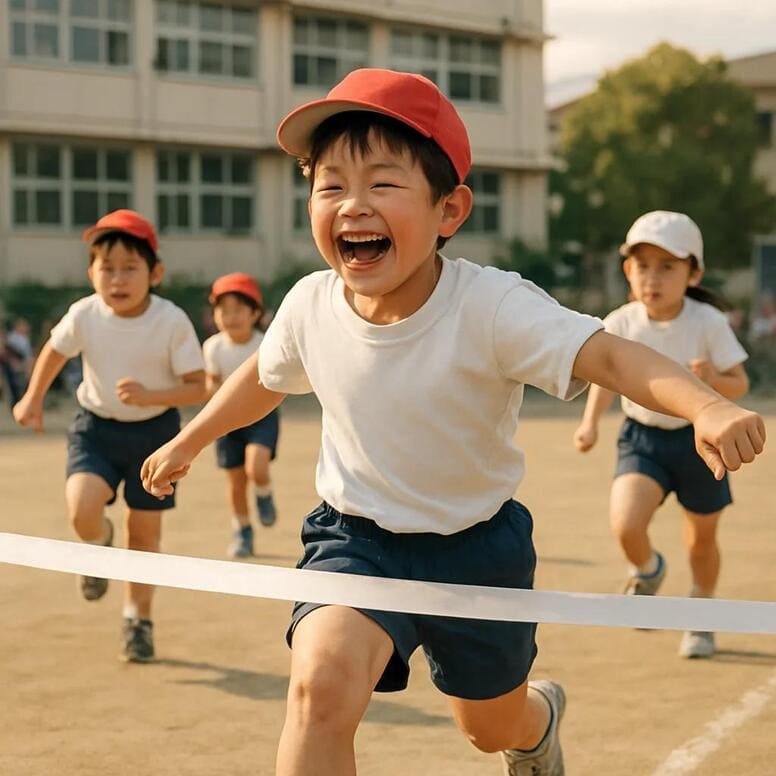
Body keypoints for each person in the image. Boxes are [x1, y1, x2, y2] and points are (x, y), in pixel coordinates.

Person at [140, 71, 765, 775]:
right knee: (319, 693)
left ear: (450, 209)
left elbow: (614, 358)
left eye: (382, 183)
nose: (352, 204)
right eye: (330, 184)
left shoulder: (493, 307)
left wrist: (706, 405)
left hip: (478, 550)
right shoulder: (310, 304)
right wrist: (190, 437)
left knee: (492, 727)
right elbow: (264, 377)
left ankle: (537, 724)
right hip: (356, 540)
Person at [13, 209, 206, 663]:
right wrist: (33, 398)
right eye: (107, 268)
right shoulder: (85, 313)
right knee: (81, 510)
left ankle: (138, 619)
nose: (117, 279)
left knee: (143, 537)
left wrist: (149, 395)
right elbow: (55, 353)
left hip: (156, 437)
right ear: (91, 273)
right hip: (95, 429)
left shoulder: (171, 320)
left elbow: (200, 386)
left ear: (155, 273)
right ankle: (98, 544)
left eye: (130, 268)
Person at [574, 210, 751, 660]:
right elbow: (606, 376)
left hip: (699, 442)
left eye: (667, 266)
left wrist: (712, 379)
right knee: (626, 523)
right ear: (627, 271)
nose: (652, 278)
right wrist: (590, 422)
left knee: (701, 541)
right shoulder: (620, 322)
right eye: (642, 266)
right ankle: (648, 570)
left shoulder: (708, 322)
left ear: (694, 273)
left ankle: (701, 616)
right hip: (643, 439)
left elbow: (740, 385)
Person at [202, 272, 280, 558]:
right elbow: (211, 385)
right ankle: (243, 531)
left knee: (256, 467)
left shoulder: (265, 343)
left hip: (262, 416)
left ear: (255, 313)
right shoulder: (213, 347)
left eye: (238, 310)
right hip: (226, 421)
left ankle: (264, 493)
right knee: (234, 482)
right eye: (223, 310)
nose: (230, 317)